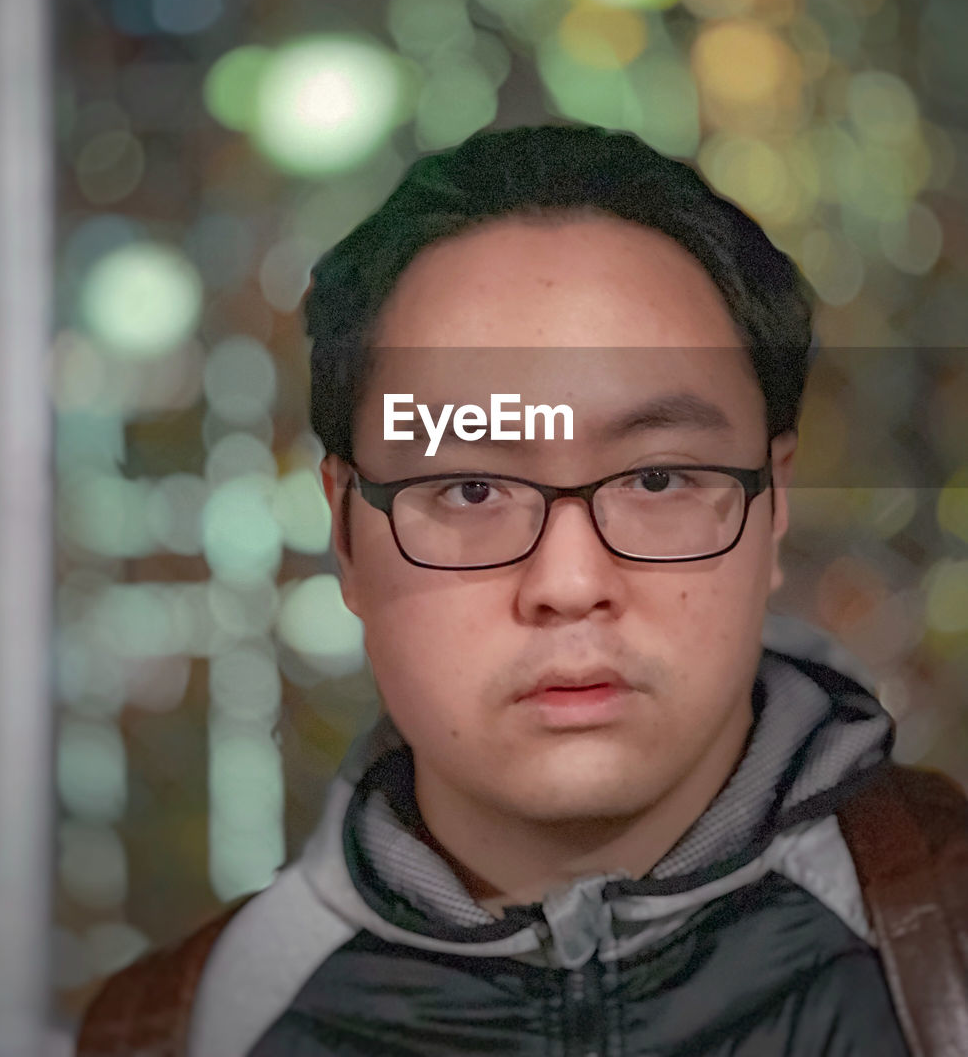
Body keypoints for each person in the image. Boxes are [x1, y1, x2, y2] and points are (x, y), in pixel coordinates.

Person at [79, 125, 968, 1056]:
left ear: (772, 505)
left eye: (656, 479)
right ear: (345, 532)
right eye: (470, 489)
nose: (570, 582)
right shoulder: (185, 1030)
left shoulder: (936, 955)